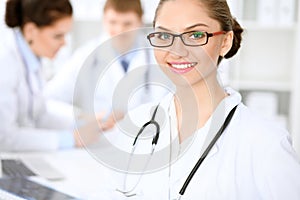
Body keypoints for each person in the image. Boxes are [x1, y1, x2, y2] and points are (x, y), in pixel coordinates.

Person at [98, 0, 300, 199]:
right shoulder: (135, 125)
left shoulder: (266, 144)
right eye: (165, 35)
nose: (177, 51)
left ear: (225, 42)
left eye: (195, 35)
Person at [44, 0, 172, 131]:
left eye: (127, 24)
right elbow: (48, 101)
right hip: (99, 141)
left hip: (148, 138)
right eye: (113, 22)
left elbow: (173, 104)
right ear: (104, 20)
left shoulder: (157, 55)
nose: (119, 30)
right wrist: (83, 117)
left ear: (140, 21)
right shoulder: (85, 56)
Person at [0, 0, 101, 151]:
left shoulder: (33, 59)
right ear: (30, 31)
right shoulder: (5, 62)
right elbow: (5, 137)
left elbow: (39, 115)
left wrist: (81, 123)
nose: (64, 43)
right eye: (58, 36)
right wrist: (70, 139)